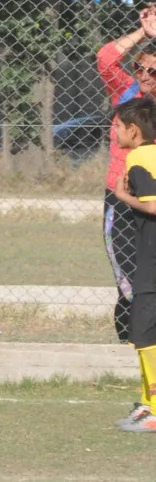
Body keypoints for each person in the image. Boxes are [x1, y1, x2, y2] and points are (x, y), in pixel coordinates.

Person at [97, 4, 156, 347]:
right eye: (140, 67)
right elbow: (106, 59)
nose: (145, 75)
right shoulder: (127, 93)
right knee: (129, 276)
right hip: (120, 199)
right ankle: (131, 344)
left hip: (153, 196)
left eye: (152, 70)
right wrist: (143, 35)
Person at [108, 98, 156, 433]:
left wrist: (122, 196)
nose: (115, 132)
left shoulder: (140, 157)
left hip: (153, 259)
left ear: (133, 130)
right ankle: (147, 405)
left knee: (145, 330)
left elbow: (153, 206)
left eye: (118, 126)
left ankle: (153, 410)